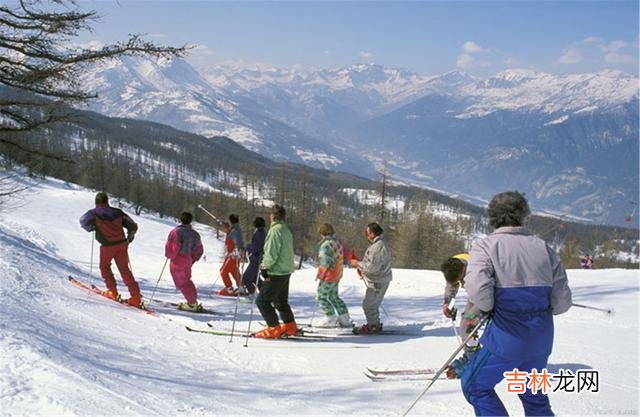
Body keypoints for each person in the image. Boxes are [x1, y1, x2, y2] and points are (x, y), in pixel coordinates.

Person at [461, 191, 572, 416]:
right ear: (523, 215)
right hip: (541, 340)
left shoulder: (486, 247)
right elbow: (562, 302)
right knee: (534, 395)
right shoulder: (543, 248)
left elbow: (478, 289)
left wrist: (491, 307)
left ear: (493, 216)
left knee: (475, 385)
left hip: (506, 338)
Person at [79, 192, 142, 307]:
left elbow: (82, 221)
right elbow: (132, 225)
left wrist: (91, 227)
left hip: (107, 246)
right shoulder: (118, 212)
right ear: (107, 201)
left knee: (104, 266)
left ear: (96, 202)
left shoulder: (93, 213)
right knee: (124, 269)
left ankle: (113, 291)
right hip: (122, 244)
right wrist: (130, 236)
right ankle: (136, 297)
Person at [254, 204, 297, 339]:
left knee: (262, 301)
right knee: (280, 302)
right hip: (285, 270)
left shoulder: (274, 231)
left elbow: (271, 253)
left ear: (272, 216)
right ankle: (290, 325)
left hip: (276, 271)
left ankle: (273, 327)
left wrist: (264, 268)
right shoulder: (286, 230)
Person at [440, 253, 484, 379]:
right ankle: (471, 354)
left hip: (486, 295)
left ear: (462, 272)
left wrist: (475, 317)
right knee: (466, 326)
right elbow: (451, 287)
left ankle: (474, 359)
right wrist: (448, 303)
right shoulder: (454, 266)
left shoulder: (476, 270)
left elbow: (485, 295)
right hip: (475, 294)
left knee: (467, 324)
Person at [349, 222, 392, 334]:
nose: (366, 235)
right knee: (371, 304)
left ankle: (373, 326)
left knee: (369, 306)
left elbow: (371, 267)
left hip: (378, 281)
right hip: (379, 279)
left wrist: (357, 263)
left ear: (372, 233)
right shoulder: (380, 243)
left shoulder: (378, 246)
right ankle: (374, 324)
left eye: (367, 233)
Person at [165, 211, 204, 311]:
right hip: (188, 260)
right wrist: (193, 259)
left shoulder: (176, 232)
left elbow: (173, 246)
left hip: (178, 260)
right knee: (187, 280)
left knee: (181, 282)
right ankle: (193, 301)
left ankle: (192, 304)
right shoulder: (195, 234)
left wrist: (169, 255)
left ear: (180, 219)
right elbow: (199, 249)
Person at [314, 223, 352, 328]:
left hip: (328, 275)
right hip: (337, 274)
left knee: (320, 296)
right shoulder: (337, 243)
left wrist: (321, 273)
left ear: (322, 233)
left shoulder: (325, 245)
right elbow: (346, 254)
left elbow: (325, 261)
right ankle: (344, 317)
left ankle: (330, 318)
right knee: (333, 296)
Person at [216, 214, 244, 296]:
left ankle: (229, 289)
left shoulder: (235, 230)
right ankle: (241, 288)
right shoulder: (235, 229)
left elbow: (238, 243)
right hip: (233, 255)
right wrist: (224, 225)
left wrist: (235, 252)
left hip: (233, 255)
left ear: (231, 221)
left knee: (223, 271)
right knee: (234, 271)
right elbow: (230, 232)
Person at [240, 216, 267, 295]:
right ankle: (264, 294)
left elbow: (256, 248)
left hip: (256, 259)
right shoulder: (262, 232)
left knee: (246, 278)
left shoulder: (260, 234)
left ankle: (252, 294)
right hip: (257, 259)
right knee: (255, 278)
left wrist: (247, 247)